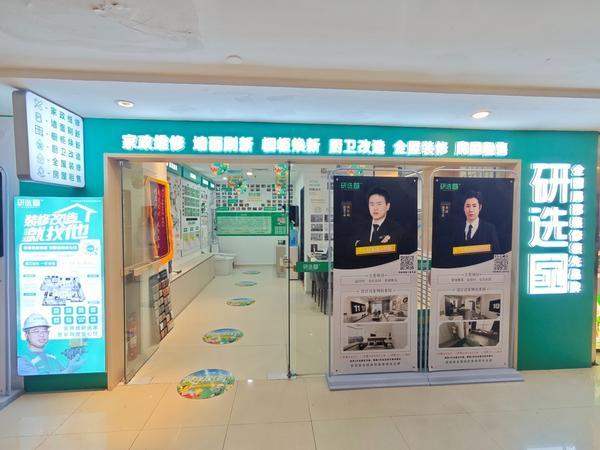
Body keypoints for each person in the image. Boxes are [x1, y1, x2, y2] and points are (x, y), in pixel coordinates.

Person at [17, 313, 84, 376]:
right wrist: (69, 370)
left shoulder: (52, 358)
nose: (41, 334)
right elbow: (39, 382)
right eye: (36, 331)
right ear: (26, 335)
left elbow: (66, 378)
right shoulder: (22, 361)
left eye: (44, 331)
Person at [449, 191, 500, 265]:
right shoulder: (457, 229)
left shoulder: (489, 229)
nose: (471, 210)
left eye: (474, 206)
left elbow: (497, 255)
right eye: (468, 206)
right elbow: (451, 255)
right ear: (464, 208)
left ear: (480, 207)